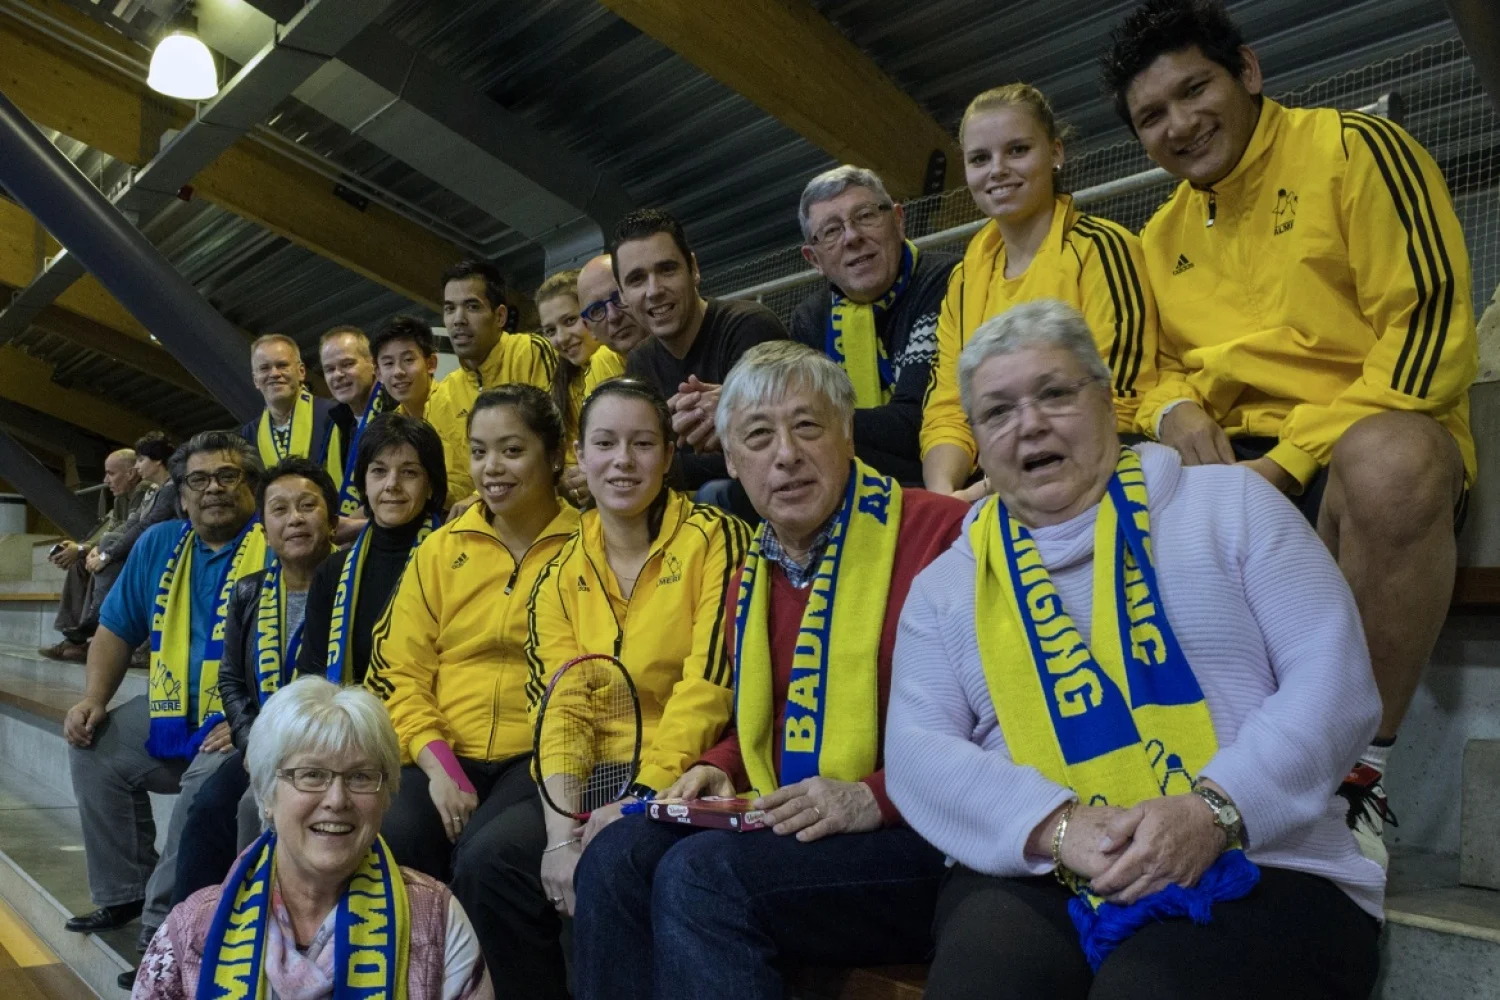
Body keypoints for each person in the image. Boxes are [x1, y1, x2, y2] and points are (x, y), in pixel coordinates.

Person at [884, 300, 1383, 999]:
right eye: (997, 412)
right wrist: (1056, 828)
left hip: (1262, 856)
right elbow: (917, 750)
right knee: (985, 980)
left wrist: (1215, 810)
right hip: (1043, 867)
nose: (1029, 424)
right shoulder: (945, 586)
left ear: (1108, 400)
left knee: (1148, 989)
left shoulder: (1232, 506)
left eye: (1054, 393)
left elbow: (1332, 681)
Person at [1102, 0, 1477, 863]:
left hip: (1358, 440)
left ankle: (1357, 777)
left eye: (1194, 90)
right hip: (1234, 460)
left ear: (1250, 71)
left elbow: (1428, 336)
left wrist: (1291, 461)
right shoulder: (1157, 238)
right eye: (1151, 117)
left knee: (1391, 460)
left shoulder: (1353, 150)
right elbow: (1142, 371)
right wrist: (1174, 410)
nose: (1179, 125)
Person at [572, 343, 966, 1000]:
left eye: (807, 426)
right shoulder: (752, 576)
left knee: (702, 877)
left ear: (845, 435)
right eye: (758, 436)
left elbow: (1006, 722)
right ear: (731, 460)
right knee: (614, 854)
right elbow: (776, 716)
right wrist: (719, 764)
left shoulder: (942, 533)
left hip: (925, 832)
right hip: (803, 821)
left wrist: (874, 795)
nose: (785, 454)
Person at [365, 385, 579, 1000]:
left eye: (511, 450)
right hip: (440, 751)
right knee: (387, 835)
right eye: (480, 452)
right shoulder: (440, 548)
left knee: (488, 860)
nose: (491, 468)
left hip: (537, 756)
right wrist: (437, 763)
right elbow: (399, 672)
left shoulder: (587, 545)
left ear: (554, 455)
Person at [526, 377, 751, 916]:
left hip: (690, 770)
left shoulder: (718, 538)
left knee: (616, 857)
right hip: (595, 772)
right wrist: (561, 835)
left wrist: (643, 794)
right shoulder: (556, 572)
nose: (623, 461)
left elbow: (709, 684)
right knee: (491, 860)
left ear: (670, 453)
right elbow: (561, 708)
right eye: (604, 444)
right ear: (579, 455)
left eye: (643, 444)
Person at [133, 676, 494, 1000]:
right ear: (266, 794)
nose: (337, 800)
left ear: (386, 798)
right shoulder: (191, 931)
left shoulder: (437, 921)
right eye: (311, 775)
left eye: (361, 777)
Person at [63, 431, 270, 990]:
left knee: (206, 781)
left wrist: (252, 721)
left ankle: (164, 931)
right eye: (197, 480)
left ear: (250, 486)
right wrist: (93, 700)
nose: (213, 490)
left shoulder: (276, 539)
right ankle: (123, 893)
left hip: (244, 719)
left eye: (227, 477)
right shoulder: (157, 544)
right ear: (179, 495)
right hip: (173, 707)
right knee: (94, 747)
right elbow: (114, 630)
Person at [921, 84, 1158, 500]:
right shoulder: (962, 282)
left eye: (1017, 150)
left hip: (1094, 471)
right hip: (992, 484)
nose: (997, 169)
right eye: (980, 158)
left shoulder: (1102, 249)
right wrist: (944, 498)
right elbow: (948, 406)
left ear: (1056, 154)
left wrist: (999, 483)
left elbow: (1120, 396)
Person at [172, 457, 340, 904]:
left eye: (308, 505)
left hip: (327, 742)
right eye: (280, 509)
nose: (295, 519)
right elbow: (231, 679)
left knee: (253, 809)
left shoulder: (350, 584)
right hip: (262, 743)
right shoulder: (248, 591)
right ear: (264, 530)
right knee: (208, 807)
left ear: (333, 520)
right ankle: (179, 938)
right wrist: (251, 742)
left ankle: (260, 927)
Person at [790, 166, 959, 484]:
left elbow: (915, 422)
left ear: (898, 220)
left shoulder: (947, 280)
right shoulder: (810, 320)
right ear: (814, 260)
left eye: (865, 216)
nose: (852, 237)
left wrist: (802, 421)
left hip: (941, 476)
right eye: (831, 231)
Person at [613, 208, 787, 511]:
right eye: (637, 279)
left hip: (769, 501)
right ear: (623, 295)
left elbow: (775, 451)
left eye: (667, 269)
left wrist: (668, 465)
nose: (654, 291)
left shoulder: (749, 327)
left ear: (693, 268)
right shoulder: (640, 362)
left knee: (715, 495)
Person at [299, 413, 447, 686]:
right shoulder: (333, 571)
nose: (392, 484)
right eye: (379, 471)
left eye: (409, 472)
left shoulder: (454, 561)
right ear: (364, 485)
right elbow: (311, 677)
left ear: (430, 486)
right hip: (355, 724)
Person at [427, 259, 558, 504]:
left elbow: (550, 444)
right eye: (449, 309)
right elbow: (456, 481)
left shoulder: (530, 351)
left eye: (472, 307)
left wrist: (479, 497)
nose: (458, 319)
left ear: (499, 316)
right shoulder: (441, 397)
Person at [41, 448, 150, 661]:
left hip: (139, 558)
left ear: (130, 473)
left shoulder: (145, 489)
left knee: (96, 560)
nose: (105, 480)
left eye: (111, 473)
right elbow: (111, 530)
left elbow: (128, 532)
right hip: (122, 553)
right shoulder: (120, 499)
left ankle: (95, 635)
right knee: (81, 562)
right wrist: (83, 548)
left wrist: (89, 550)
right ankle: (76, 639)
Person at [240, 333, 347, 488]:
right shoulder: (249, 435)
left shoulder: (334, 414)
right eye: (264, 368)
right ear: (256, 380)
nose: (274, 373)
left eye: (282, 365)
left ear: (301, 371)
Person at [319, 325, 392, 539]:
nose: (338, 375)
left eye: (347, 364)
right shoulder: (335, 425)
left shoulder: (397, 411)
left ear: (372, 364)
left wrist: (356, 524)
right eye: (329, 369)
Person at [536, 268, 602, 459]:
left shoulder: (620, 359)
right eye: (550, 331)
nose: (562, 338)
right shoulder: (563, 387)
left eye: (570, 320)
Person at [375, 316, 441, 421]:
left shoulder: (456, 400)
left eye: (408, 360)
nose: (398, 372)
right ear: (379, 374)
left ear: (431, 363)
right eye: (388, 363)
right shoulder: (392, 426)